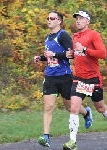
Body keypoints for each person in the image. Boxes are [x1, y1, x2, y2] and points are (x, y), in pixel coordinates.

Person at [34, 10, 92, 148]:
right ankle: (46, 137)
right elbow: (50, 57)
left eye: (52, 18)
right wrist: (41, 58)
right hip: (50, 77)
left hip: (64, 76)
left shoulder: (63, 35)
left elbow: (71, 54)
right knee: (48, 107)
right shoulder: (47, 38)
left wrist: (53, 53)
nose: (49, 20)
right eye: (48, 18)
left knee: (70, 106)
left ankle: (86, 112)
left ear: (59, 21)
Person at [63, 9, 107, 150]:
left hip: (93, 79)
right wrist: (71, 54)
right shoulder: (75, 36)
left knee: (100, 108)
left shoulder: (93, 35)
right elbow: (78, 55)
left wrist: (85, 49)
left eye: (81, 18)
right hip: (78, 79)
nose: (78, 20)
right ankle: (72, 142)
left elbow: (102, 53)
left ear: (88, 21)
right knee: (74, 108)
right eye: (77, 18)